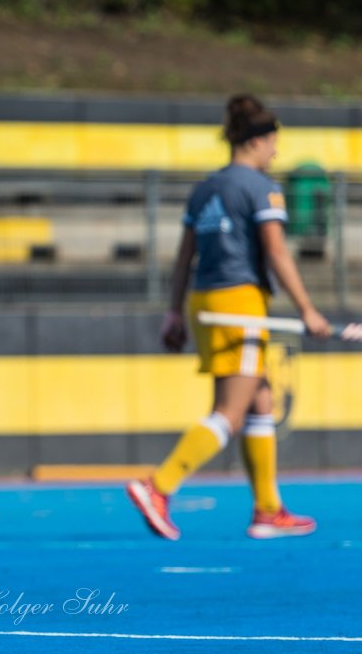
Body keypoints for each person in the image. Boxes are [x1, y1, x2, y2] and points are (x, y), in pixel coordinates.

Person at [126, 93, 332, 541]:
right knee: (229, 413)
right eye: (274, 142)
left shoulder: (206, 188)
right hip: (240, 304)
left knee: (260, 399)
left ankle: (267, 509)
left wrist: (172, 313)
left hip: (204, 301)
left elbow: (184, 258)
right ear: (257, 141)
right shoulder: (261, 188)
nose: (277, 152)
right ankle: (158, 486)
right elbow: (276, 251)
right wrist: (309, 311)